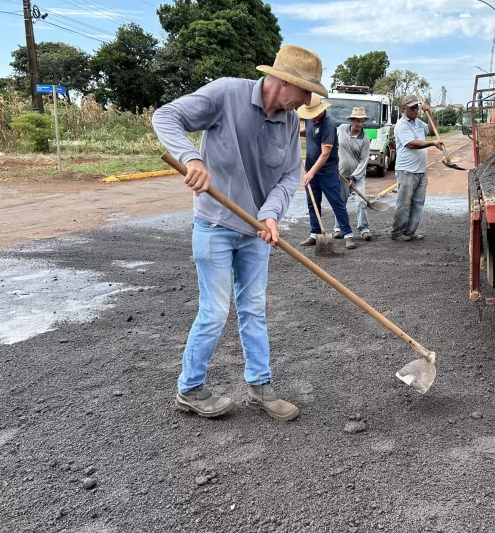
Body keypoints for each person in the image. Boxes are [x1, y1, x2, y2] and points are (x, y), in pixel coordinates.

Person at [152, 45, 327, 420]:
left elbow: (289, 176)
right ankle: (190, 389)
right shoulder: (226, 94)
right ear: (283, 82)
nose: (308, 101)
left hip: (256, 232)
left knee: (253, 309)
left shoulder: (287, 120)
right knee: (214, 311)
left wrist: (270, 215)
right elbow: (166, 116)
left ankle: (260, 387)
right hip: (215, 224)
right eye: (305, 92)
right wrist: (191, 157)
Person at [298, 94, 356, 250]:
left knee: (336, 202)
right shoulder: (311, 119)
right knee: (312, 203)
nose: (310, 116)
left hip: (327, 172)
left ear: (320, 110)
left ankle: (348, 235)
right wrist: (296, 132)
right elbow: (307, 130)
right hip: (311, 169)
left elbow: (325, 153)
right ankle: (314, 233)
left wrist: (310, 173)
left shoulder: (328, 125)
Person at [391, 94, 445, 241]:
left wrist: (430, 113)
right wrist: (433, 143)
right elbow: (411, 143)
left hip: (420, 170)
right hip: (406, 171)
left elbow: (432, 131)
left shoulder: (417, 123)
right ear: (404, 109)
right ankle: (397, 232)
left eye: (417, 107)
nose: (415, 110)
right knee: (403, 203)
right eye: (412, 108)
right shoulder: (402, 125)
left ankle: (410, 231)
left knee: (418, 203)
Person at [335, 107, 372, 241]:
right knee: (340, 201)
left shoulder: (365, 139)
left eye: (362, 121)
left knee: (361, 202)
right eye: (357, 121)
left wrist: (355, 177)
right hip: (342, 173)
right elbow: (334, 145)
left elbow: (364, 160)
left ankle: (364, 229)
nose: (360, 124)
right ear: (351, 121)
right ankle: (338, 228)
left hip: (358, 175)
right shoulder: (341, 130)